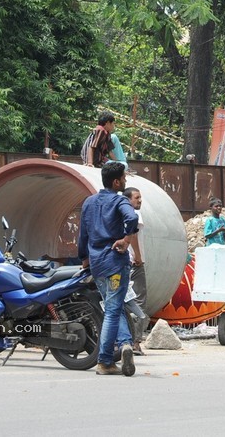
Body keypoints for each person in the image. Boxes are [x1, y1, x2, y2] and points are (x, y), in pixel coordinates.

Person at [78, 161, 140, 377]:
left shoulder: (89, 202)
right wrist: (126, 239)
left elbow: (82, 234)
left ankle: (124, 344)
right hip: (115, 262)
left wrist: (84, 258)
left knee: (114, 306)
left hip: (97, 264)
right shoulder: (119, 201)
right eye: (124, 178)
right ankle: (104, 361)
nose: (125, 181)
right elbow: (132, 217)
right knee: (113, 310)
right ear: (116, 181)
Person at [123, 186, 148, 355]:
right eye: (136, 197)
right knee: (139, 301)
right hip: (134, 263)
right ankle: (136, 342)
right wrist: (138, 256)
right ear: (128, 199)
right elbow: (133, 236)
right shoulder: (133, 214)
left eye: (140, 197)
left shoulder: (119, 213)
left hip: (122, 263)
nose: (139, 200)